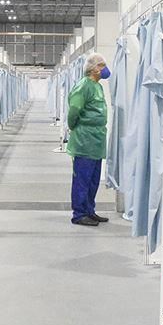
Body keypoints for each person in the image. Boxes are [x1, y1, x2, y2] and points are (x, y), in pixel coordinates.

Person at [67, 53, 111, 226]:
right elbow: (74, 110)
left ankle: (89, 211)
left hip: (96, 139)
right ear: (94, 68)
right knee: (82, 179)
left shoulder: (97, 86)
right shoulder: (83, 86)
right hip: (85, 139)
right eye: (102, 65)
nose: (105, 69)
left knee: (93, 180)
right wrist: (74, 127)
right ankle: (79, 214)